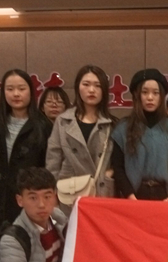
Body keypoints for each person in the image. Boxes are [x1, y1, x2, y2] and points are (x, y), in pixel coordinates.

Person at [0, 69, 52, 236]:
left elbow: (48, 168)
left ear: (31, 92)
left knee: (24, 244)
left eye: (21, 88)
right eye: (10, 89)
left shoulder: (43, 126)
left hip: (27, 200)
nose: (16, 94)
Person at [46, 65, 116, 213]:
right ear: (78, 87)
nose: (91, 90)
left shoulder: (112, 123)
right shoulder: (63, 121)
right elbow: (53, 161)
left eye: (97, 86)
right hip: (71, 192)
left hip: (101, 192)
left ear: (104, 90)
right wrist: (51, 194)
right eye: (86, 84)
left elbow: (120, 161)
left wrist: (108, 174)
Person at [111, 68, 168, 200]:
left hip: (165, 196)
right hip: (133, 195)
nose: (150, 97)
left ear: (162, 96)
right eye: (144, 92)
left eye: (155, 93)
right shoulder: (123, 127)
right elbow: (118, 167)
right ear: (137, 95)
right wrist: (129, 195)